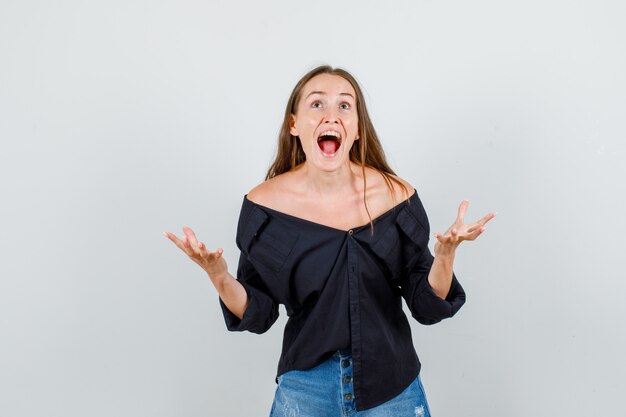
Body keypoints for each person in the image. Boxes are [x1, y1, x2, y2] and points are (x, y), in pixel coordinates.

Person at [164, 65, 495, 416]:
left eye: (344, 105)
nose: (331, 115)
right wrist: (219, 276)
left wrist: (444, 256)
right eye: (317, 104)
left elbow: (427, 305)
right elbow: (258, 313)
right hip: (305, 391)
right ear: (294, 124)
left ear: (356, 130)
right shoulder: (264, 206)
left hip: (391, 388)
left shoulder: (397, 196)